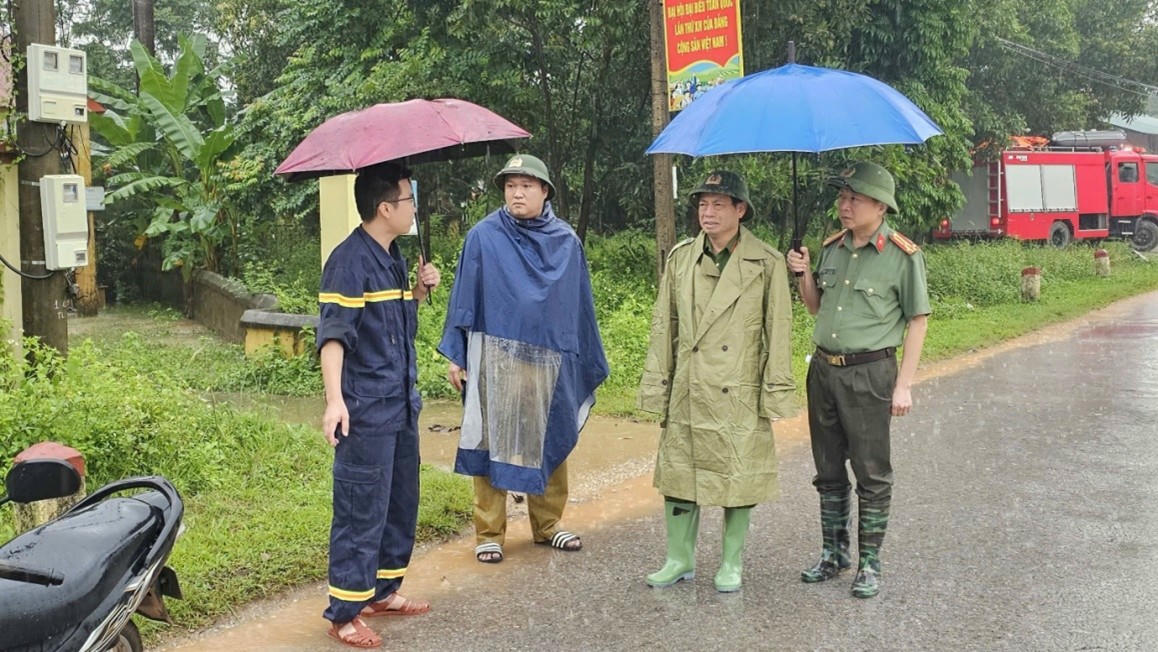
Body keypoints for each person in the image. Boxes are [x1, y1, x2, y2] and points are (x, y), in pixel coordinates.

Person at [438, 154, 608, 564]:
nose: (517, 193)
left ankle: (548, 524)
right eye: (511, 185)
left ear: (545, 191)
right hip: (494, 355)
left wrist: (579, 357)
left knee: (549, 434)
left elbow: (578, 307)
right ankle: (489, 532)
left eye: (526, 185)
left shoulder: (565, 242)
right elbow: (463, 298)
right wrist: (457, 355)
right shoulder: (483, 237)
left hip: (548, 360)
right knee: (490, 439)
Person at [638, 170, 796, 592]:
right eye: (702, 205)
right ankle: (678, 558)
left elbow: (778, 330)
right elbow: (664, 325)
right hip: (689, 386)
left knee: (737, 476)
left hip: (738, 388)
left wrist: (775, 389)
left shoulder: (766, 262)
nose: (707, 213)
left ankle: (731, 562)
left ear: (740, 210)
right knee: (679, 473)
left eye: (718, 205)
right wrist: (659, 384)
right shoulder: (681, 258)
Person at [785, 160, 930, 599]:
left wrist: (904, 385)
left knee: (871, 472)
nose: (844, 206)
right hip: (823, 370)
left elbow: (918, 320)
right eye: (842, 197)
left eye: (854, 199)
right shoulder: (832, 248)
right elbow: (815, 306)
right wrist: (802, 274)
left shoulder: (902, 256)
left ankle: (869, 563)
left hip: (870, 374)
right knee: (828, 469)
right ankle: (834, 554)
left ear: (880, 206)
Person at [317, 161, 441, 648]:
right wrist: (335, 401)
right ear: (385, 208)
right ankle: (344, 613)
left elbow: (394, 329)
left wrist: (418, 293)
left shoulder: (391, 256)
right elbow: (334, 335)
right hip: (365, 409)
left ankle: (382, 592)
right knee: (360, 508)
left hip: (400, 403)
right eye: (410, 199)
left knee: (399, 502)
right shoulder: (348, 261)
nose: (414, 208)